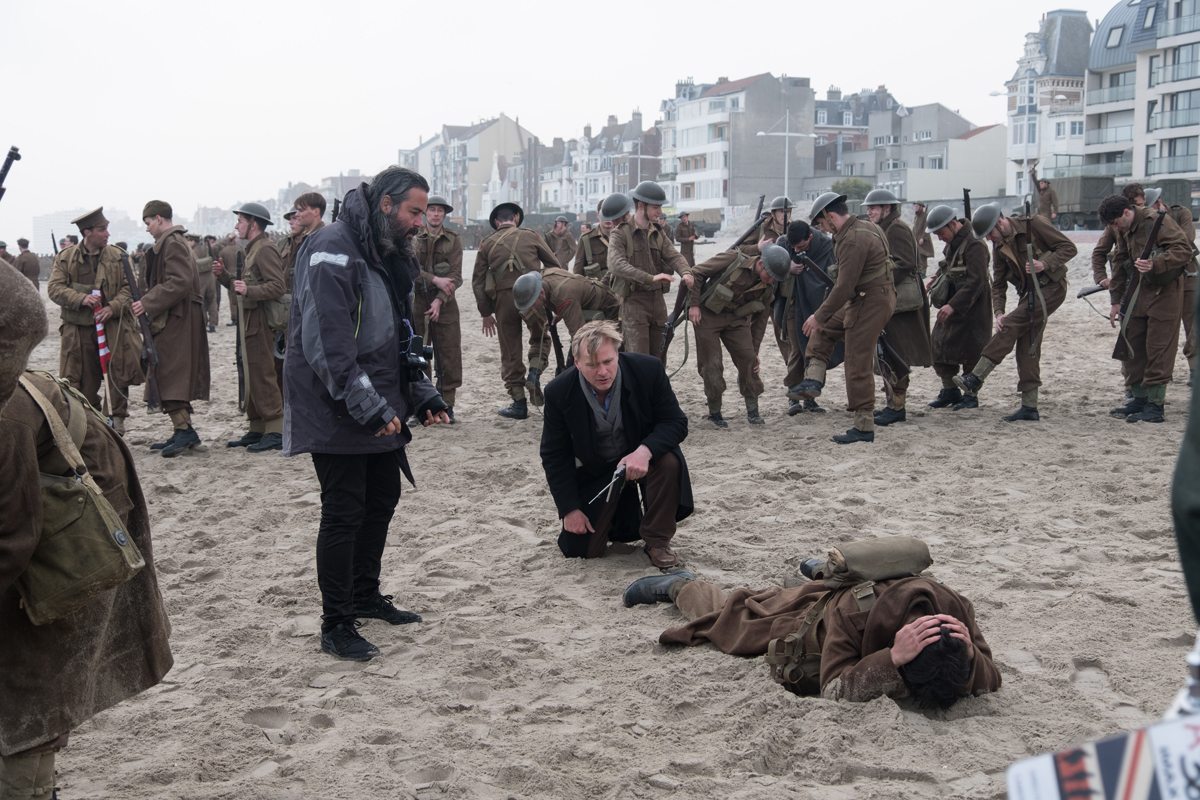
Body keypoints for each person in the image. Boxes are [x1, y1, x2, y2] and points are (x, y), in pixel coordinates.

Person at [0, 261, 172, 799]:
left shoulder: (5, 421)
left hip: (73, 529)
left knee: (25, 693)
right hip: (32, 501)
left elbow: (11, 542)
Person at [284, 166, 450, 662]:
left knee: (383, 495)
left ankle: (364, 594)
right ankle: (336, 622)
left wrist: (422, 391)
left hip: (380, 401)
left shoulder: (386, 249)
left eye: (424, 212)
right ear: (385, 205)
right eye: (414, 211)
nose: (421, 221)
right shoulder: (331, 248)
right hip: (336, 402)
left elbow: (401, 333)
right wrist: (365, 404)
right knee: (344, 509)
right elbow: (328, 342)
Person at [621, 545, 1000, 707]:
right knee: (737, 619)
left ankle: (822, 571)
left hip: (866, 597)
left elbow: (990, 677)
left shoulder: (954, 611)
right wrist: (891, 659)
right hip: (818, 617)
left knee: (807, 588)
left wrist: (970, 654)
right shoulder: (854, 612)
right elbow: (834, 686)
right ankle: (679, 584)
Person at [539, 321, 691, 569]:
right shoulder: (558, 392)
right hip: (598, 473)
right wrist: (569, 509)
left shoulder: (648, 370)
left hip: (644, 459)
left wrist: (644, 451)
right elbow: (554, 454)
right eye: (591, 365)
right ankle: (618, 518)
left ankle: (657, 541)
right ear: (577, 363)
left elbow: (675, 422)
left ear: (617, 354)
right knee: (580, 549)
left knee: (668, 460)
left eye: (608, 362)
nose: (602, 372)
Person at [789, 193, 896, 444]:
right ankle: (812, 381)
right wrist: (822, 319)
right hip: (867, 296)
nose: (822, 229)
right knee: (823, 329)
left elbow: (844, 287)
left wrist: (818, 314)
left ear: (831, 216)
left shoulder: (853, 239)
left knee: (857, 360)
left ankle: (863, 426)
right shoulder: (864, 227)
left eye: (822, 224)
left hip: (869, 300)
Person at [954, 204, 1077, 421]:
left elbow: (1068, 248)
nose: (991, 239)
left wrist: (1044, 264)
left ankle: (976, 378)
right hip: (1028, 295)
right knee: (1027, 345)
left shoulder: (1034, 224)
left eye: (991, 233)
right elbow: (998, 284)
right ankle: (1030, 407)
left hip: (1052, 288)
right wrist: (999, 312)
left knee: (1012, 325)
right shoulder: (999, 246)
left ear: (1001, 222)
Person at [45, 208, 143, 436]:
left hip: (113, 329)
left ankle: (116, 421)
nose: (107, 234)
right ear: (86, 232)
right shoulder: (66, 258)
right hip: (78, 333)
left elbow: (131, 288)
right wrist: (81, 298)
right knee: (80, 380)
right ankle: (91, 420)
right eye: (102, 230)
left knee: (117, 374)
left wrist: (113, 307)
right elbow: (54, 288)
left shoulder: (118, 257)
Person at [1099, 194, 1193, 423]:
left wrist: (1156, 263)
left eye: (1115, 222)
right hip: (1138, 291)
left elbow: (1184, 250)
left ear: (1126, 213)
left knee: (1158, 347)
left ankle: (1155, 405)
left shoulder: (1155, 220)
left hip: (1166, 291)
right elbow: (1120, 262)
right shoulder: (1122, 228)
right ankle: (1139, 399)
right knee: (1133, 341)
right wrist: (1115, 300)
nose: (1114, 228)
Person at [132, 200, 211, 457]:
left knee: (169, 372)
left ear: (159, 218)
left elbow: (181, 281)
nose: (147, 229)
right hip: (174, 316)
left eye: (148, 223)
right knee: (168, 372)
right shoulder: (170, 242)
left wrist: (147, 302)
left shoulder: (173, 242)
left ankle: (184, 430)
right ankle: (182, 429)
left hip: (177, 319)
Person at [472, 201, 560, 419]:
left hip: (503, 302)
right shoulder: (531, 235)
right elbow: (554, 265)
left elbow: (478, 281)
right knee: (541, 338)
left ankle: (519, 403)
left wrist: (485, 313)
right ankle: (535, 372)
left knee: (510, 350)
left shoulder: (487, 243)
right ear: (516, 218)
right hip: (532, 296)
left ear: (495, 221)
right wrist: (552, 299)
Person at [687, 242, 790, 427]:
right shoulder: (733, 259)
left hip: (736, 321)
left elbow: (759, 323)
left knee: (748, 360)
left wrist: (754, 351)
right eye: (771, 276)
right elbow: (697, 272)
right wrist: (694, 304)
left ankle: (752, 409)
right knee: (712, 365)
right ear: (761, 264)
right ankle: (715, 412)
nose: (772, 281)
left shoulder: (767, 287)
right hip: (708, 317)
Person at [214, 202, 286, 451]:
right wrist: (224, 277)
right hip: (249, 322)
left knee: (264, 373)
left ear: (253, 224)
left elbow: (278, 286)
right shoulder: (253, 248)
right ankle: (257, 427)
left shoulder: (265, 249)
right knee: (251, 372)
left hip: (262, 323)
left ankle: (276, 429)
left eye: (241, 221)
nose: (237, 225)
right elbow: (242, 289)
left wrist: (250, 290)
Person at [862, 189, 932, 426]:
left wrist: (878, 279)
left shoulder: (897, 229)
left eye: (874, 207)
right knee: (887, 352)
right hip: (891, 300)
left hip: (901, 303)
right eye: (869, 208)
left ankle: (897, 406)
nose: (869, 211)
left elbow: (905, 263)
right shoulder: (885, 228)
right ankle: (892, 403)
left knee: (897, 354)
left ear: (887, 208)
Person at [607, 181, 694, 354]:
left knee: (658, 358)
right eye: (656, 207)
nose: (660, 212)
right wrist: (650, 278)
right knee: (638, 360)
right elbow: (616, 264)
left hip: (657, 303)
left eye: (660, 207)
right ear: (641, 206)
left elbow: (673, 255)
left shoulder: (657, 232)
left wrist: (686, 272)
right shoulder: (620, 233)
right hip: (634, 302)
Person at [921, 205, 993, 409]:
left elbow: (976, 281)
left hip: (973, 308)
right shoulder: (954, 242)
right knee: (939, 345)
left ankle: (970, 396)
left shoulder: (975, 245)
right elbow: (948, 263)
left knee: (971, 351)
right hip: (954, 301)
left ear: (952, 225)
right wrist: (936, 278)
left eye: (940, 232)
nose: (939, 237)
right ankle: (950, 390)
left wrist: (953, 306)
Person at [777, 221, 838, 416]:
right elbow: (772, 267)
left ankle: (810, 399)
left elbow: (831, 276)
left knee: (815, 351)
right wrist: (788, 267)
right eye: (793, 246)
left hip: (817, 305)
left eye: (801, 247)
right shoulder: (784, 243)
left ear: (810, 237)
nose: (796, 249)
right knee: (797, 350)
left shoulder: (826, 246)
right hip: (793, 305)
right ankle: (793, 396)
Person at [412, 194, 463, 420]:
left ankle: (447, 404)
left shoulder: (453, 240)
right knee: (418, 353)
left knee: (448, 353)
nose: (435, 214)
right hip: (418, 301)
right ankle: (424, 404)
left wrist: (440, 299)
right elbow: (410, 269)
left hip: (446, 302)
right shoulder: (413, 238)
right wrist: (435, 280)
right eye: (431, 210)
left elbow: (456, 276)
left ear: (444, 214)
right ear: (425, 212)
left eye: (440, 211)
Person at [1147, 188, 1198, 387]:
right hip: (1163, 280)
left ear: (1159, 202)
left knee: (1194, 326)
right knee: (1163, 330)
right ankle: (1161, 373)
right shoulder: (1146, 223)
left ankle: (1195, 369)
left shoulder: (1180, 213)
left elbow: (1187, 239)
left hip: (1188, 276)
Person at [512, 267, 620, 350]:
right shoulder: (544, 278)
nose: (531, 308)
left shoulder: (564, 298)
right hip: (584, 302)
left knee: (608, 345)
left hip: (608, 306)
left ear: (541, 293)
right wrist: (559, 312)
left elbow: (579, 335)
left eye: (532, 304)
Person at [574, 193, 631, 286]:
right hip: (597, 293)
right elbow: (577, 272)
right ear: (598, 215)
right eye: (605, 214)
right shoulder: (586, 240)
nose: (608, 219)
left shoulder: (624, 236)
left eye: (612, 214)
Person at [911, 201, 934, 276]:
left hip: (923, 240)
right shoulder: (916, 216)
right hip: (916, 239)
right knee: (917, 255)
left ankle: (923, 272)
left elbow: (927, 227)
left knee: (922, 256)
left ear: (921, 207)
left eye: (917, 206)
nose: (915, 208)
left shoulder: (925, 216)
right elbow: (915, 228)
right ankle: (919, 271)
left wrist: (923, 237)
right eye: (915, 206)